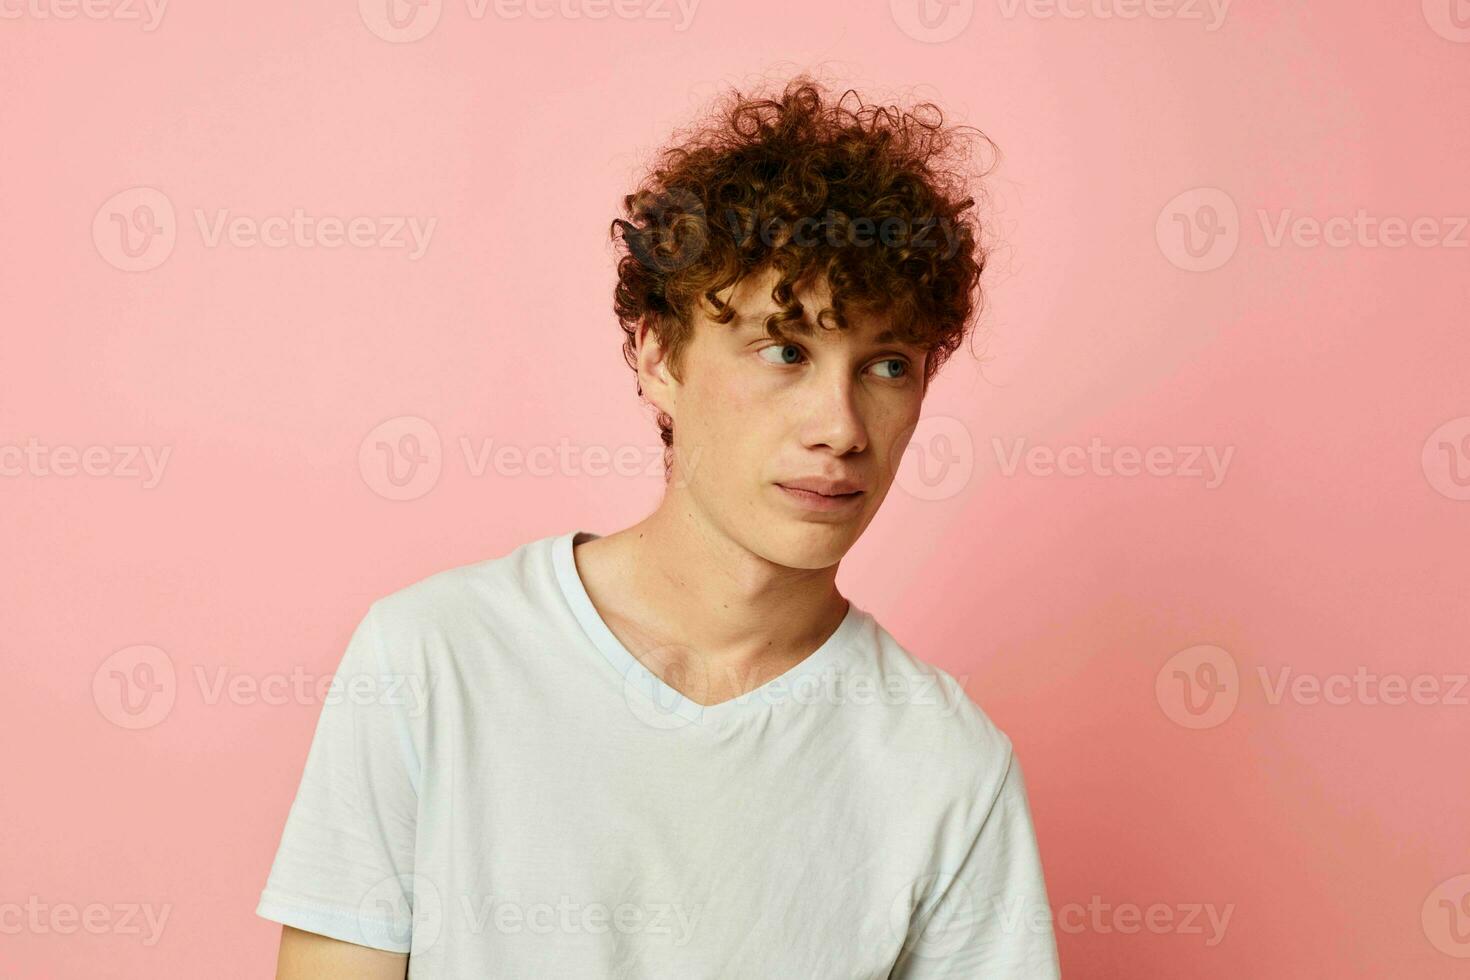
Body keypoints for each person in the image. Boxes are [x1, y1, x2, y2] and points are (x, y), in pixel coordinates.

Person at [256, 74, 1061, 979]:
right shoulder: (433, 658)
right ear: (655, 355)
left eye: (885, 366)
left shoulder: (948, 766)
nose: (839, 426)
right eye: (786, 351)